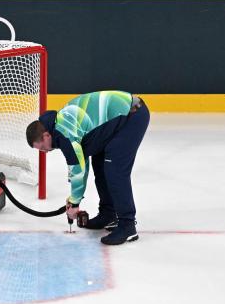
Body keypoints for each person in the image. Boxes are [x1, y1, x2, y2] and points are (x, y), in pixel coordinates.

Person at [26, 91, 150, 245]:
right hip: (116, 121)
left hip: (131, 117)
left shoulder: (64, 133)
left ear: (46, 136)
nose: (44, 151)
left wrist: (74, 202)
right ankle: (108, 214)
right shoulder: (58, 125)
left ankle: (127, 226)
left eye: (42, 147)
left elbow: (78, 170)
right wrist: (74, 199)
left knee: (115, 171)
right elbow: (81, 163)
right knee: (100, 166)